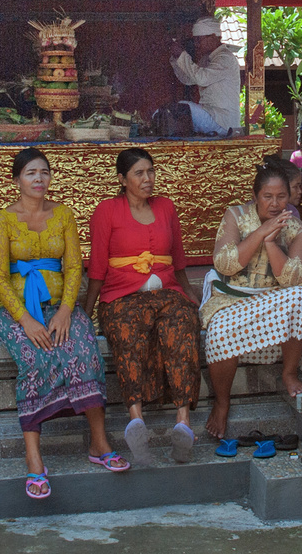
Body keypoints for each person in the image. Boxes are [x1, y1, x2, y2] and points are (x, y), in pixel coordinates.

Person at [0, 149, 125, 496]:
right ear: (16, 179)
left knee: (83, 350)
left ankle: (99, 444)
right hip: (15, 312)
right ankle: (34, 460)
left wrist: (67, 310)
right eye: (31, 173)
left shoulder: (63, 215)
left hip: (60, 306)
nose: (39, 179)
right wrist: (26, 320)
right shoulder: (2, 221)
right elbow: (1, 278)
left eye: (45, 173)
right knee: (35, 359)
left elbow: (75, 267)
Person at [85, 148, 202, 467]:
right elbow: (96, 269)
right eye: (139, 173)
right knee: (128, 329)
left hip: (166, 291)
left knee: (182, 323)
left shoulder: (165, 207)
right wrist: (86, 311)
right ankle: (135, 418)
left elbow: (178, 262)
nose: (147, 178)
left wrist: (190, 295)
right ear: (122, 179)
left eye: (150, 171)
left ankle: (183, 422)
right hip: (121, 296)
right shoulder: (107, 211)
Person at [201, 164, 302, 441]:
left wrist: (274, 243)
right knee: (219, 331)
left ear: (289, 197)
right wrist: (261, 232)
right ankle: (222, 402)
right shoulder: (235, 215)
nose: (275, 204)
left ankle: (288, 373)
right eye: (267, 196)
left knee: (301, 296)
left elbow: (294, 279)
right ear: (255, 196)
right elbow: (224, 264)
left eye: (281, 196)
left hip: (272, 302)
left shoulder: (297, 228)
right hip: (231, 301)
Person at [165, 16, 242, 135]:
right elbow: (188, 79)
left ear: (213, 37)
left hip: (224, 121)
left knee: (185, 107)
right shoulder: (207, 59)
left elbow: (201, 78)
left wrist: (182, 55)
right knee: (174, 112)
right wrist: (176, 59)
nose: (196, 45)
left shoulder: (225, 58)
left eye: (198, 40)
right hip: (212, 116)